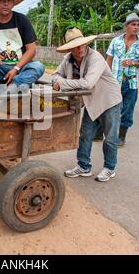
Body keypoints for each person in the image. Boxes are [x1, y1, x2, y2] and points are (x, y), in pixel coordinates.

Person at [52, 28, 122, 182]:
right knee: (85, 134)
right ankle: (83, 166)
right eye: (76, 46)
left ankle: (110, 168)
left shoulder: (95, 57)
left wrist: (61, 83)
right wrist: (56, 81)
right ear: (70, 48)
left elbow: (88, 83)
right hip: (91, 102)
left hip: (108, 100)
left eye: (82, 44)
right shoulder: (68, 59)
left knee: (110, 137)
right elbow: (55, 76)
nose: (80, 48)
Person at [105, 13, 139, 147]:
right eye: (133, 24)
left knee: (127, 111)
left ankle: (121, 137)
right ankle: (102, 132)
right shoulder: (115, 41)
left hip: (131, 83)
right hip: (114, 81)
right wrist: (106, 77)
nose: (136, 27)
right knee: (109, 107)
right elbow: (108, 60)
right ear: (126, 26)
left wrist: (133, 63)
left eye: (138, 25)